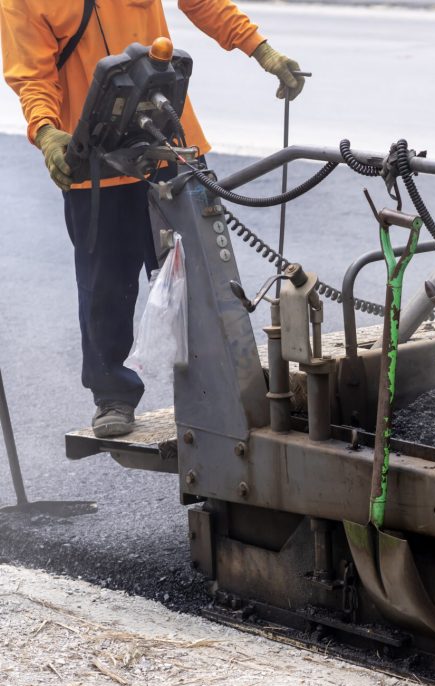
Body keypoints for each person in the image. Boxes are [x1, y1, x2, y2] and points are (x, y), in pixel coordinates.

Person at [0, 0, 305, 437]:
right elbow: (31, 74)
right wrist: (46, 131)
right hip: (98, 168)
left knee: (201, 279)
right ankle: (113, 397)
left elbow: (201, 2)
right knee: (105, 289)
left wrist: (259, 48)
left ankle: (220, 391)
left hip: (169, 148)